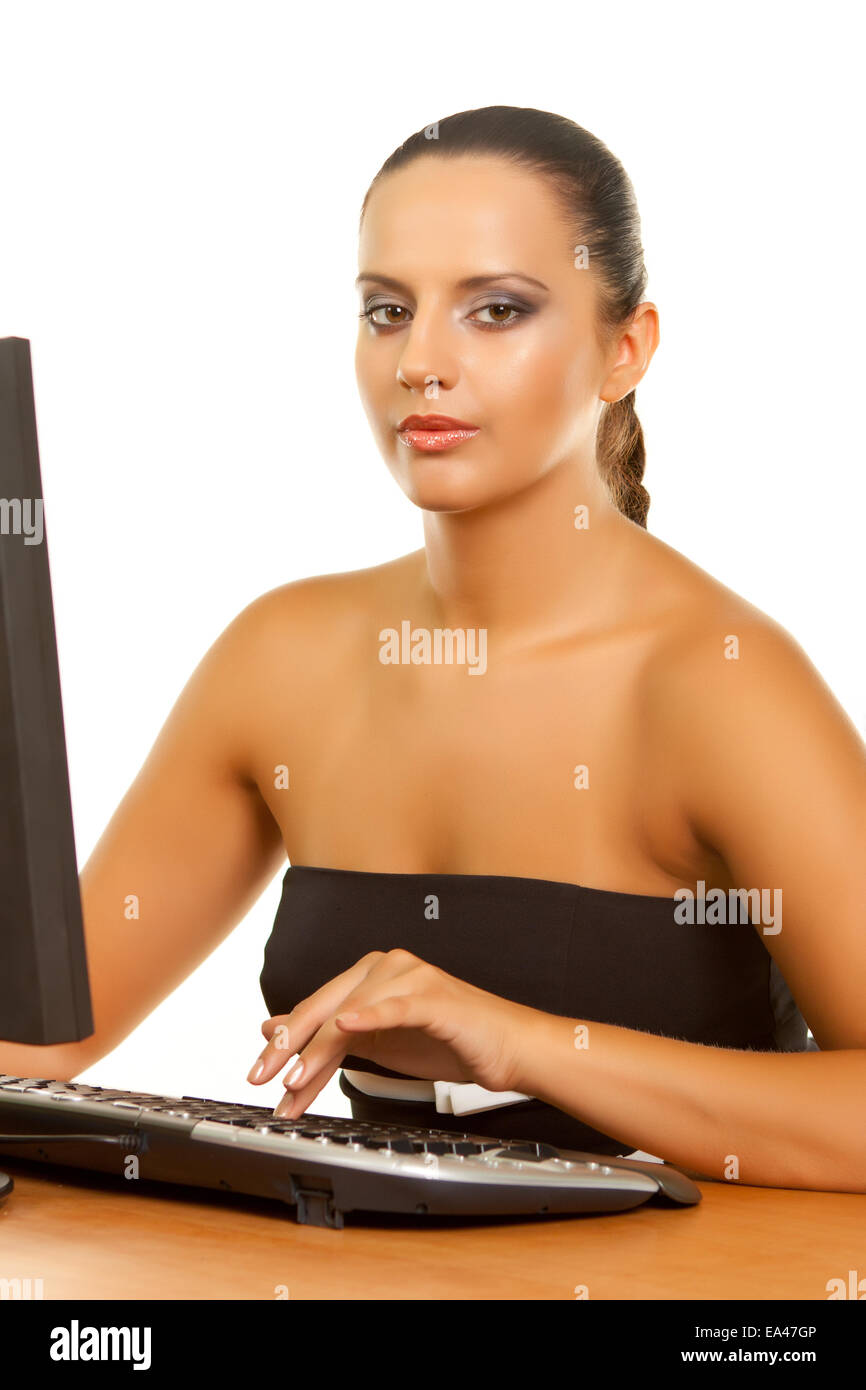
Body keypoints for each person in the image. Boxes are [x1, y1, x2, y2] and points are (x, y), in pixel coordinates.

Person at [4, 106, 863, 1191]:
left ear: (623, 348)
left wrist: (518, 1037)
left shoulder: (720, 686)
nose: (421, 362)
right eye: (386, 310)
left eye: (495, 309)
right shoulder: (280, 657)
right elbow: (40, 1036)